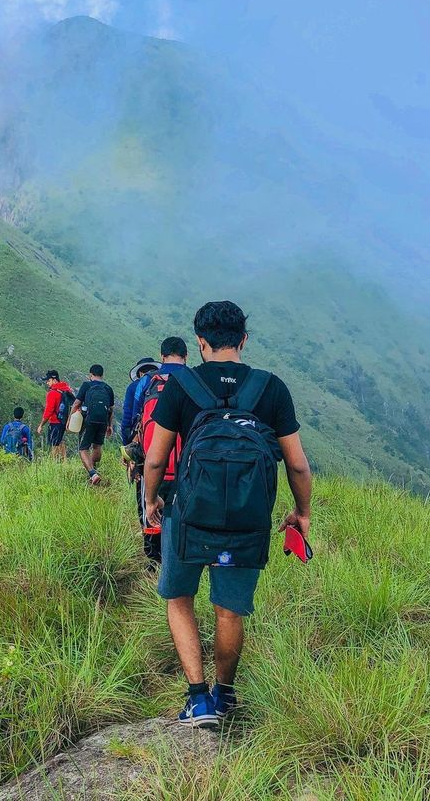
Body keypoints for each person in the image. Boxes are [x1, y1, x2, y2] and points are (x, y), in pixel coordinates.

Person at [144, 301, 312, 727]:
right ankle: (224, 695)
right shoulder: (270, 388)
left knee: (179, 599)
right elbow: (297, 465)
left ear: (201, 342)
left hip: (187, 514)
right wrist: (301, 512)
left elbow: (156, 459)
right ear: (244, 340)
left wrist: (151, 500)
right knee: (229, 610)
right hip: (246, 520)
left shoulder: (181, 386)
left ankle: (198, 700)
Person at [122, 337, 188, 565]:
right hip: (187, 468)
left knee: (150, 510)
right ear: (186, 356)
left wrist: (131, 456)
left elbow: (130, 422)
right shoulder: (196, 381)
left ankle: (154, 565)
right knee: (183, 516)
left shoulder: (145, 383)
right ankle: (178, 560)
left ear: (162, 356)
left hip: (151, 463)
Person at [71, 364, 115, 485]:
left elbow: (76, 403)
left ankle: (92, 473)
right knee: (97, 446)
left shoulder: (87, 385)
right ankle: (94, 470)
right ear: (102, 375)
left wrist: (70, 419)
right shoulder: (108, 388)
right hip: (103, 421)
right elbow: (111, 409)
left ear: (90, 374)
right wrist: (109, 425)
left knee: (83, 448)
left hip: (89, 421)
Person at [37, 370, 75, 460]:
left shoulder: (52, 393)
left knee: (54, 444)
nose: (47, 383)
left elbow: (48, 411)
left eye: (48, 381)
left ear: (54, 380)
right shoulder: (66, 390)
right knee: (60, 441)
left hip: (55, 422)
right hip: (64, 421)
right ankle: (64, 462)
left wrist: (41, 425)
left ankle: (54, 462)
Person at [121, 357, 159, 444]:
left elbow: (127, 416)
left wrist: (126, 441)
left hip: (140, 432)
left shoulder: (133, 387)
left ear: (141, 373)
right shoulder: (162, 384)